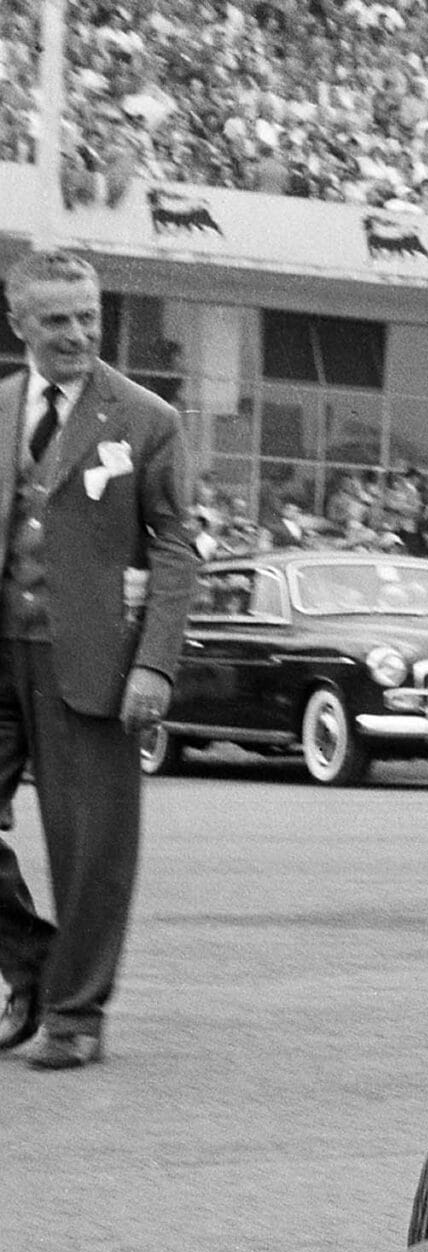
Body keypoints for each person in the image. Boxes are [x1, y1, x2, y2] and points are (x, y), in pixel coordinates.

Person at [0, 248, 196, 1069]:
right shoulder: (2, 402)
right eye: (57, 320)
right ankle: (35, 960)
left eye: (89, 316)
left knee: (93, 850)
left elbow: (178, 546)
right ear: (19, 324)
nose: (78, 333)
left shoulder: (147, 418)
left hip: (94, 662)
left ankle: (77, 1017)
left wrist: (154, 664)